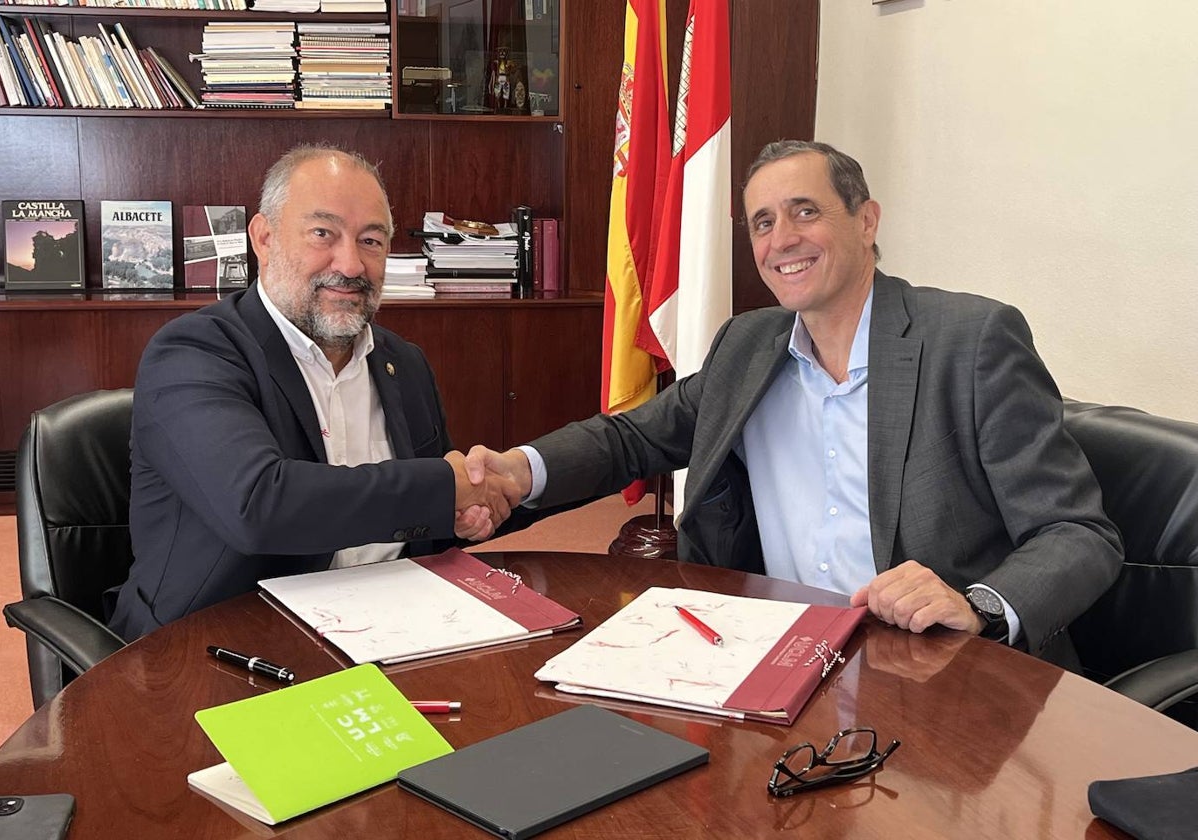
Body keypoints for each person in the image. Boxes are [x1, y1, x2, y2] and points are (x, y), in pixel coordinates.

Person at [465, 140, 1123, 667]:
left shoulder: (971, 342)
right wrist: (519, 471)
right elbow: (632, 439)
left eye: (805, 211)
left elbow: (1078, 534)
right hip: (780, 651)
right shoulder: (749, 344)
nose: (781, 239)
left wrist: (977, 605)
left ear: (866, 221)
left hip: (940, 666)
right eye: (762, 222)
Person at [108, 144, 521, 640]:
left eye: (371, 240)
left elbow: (421, 516)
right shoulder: (193, 352)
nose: (349, 264)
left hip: (392, 625)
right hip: (222, 643)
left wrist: (458, 514)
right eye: (323, 233)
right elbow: (259, 506)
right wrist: (444, 486)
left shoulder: (403, 363)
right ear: (263, 238)